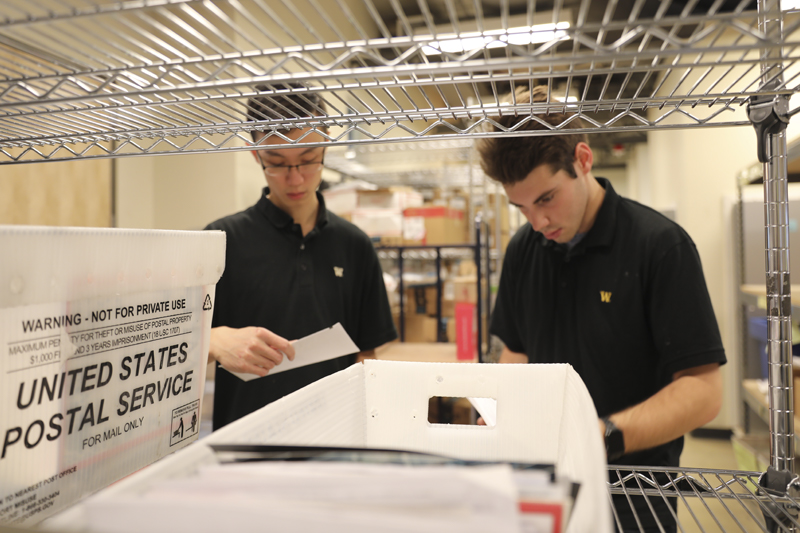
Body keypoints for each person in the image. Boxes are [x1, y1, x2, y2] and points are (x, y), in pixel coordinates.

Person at [476, 85, 726, 533]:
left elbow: (703, 392)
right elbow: (515, 353)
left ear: (583, 160)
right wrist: (499, 410)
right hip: (545, 486)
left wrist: (601, 435)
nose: (538, 222)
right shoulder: (522, 250)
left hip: (636, 494)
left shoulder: (659, 246)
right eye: (521, 207)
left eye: (546, 198)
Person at [205, 84, 397, 430]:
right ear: (255, 153)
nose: (295, 178)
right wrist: (213, 341)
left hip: (334, 439)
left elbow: (366, 355)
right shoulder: (220, 241)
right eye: (277, 163)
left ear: (326, 143)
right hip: (245, 443)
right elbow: (173, 348)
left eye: (308, 159)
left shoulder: (355, 246)